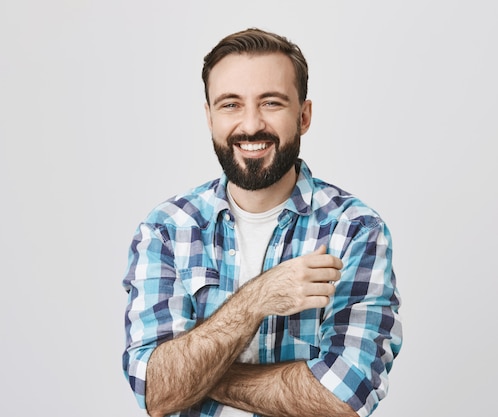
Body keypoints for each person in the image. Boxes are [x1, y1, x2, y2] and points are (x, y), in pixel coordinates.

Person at [121, 27, 402, 417]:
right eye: (230, 105)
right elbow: (157, 393)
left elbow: (343, 399)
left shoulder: (355, 230)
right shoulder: (167, 229)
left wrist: (194, 375)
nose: (251, 125)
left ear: (303, 116)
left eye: (271, 103)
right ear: (209, 117)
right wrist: (259, 298)